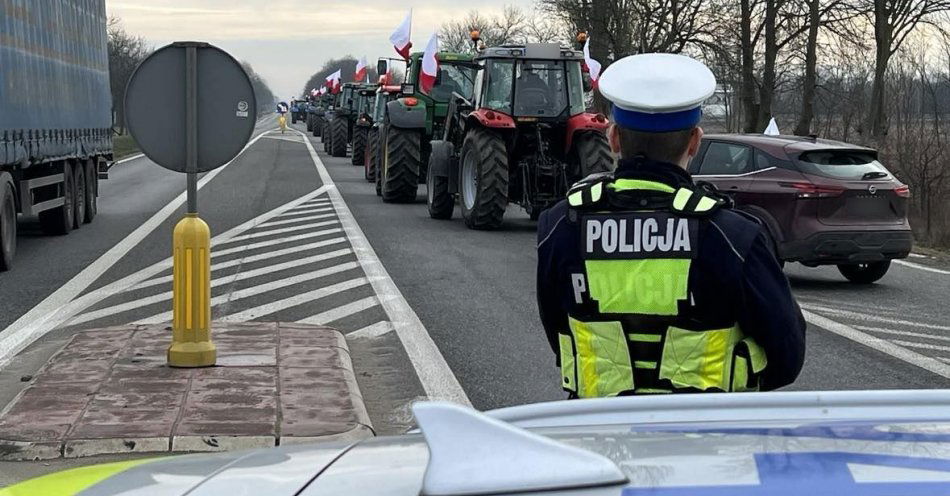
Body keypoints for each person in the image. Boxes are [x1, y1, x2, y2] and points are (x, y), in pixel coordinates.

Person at [536, 53, 806, 398]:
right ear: (694, 142)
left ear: (614, 139)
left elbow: (561, 338)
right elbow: (787, 357)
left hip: (598, 440)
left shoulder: (561, 225)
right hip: (705, 443)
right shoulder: (734, 236)